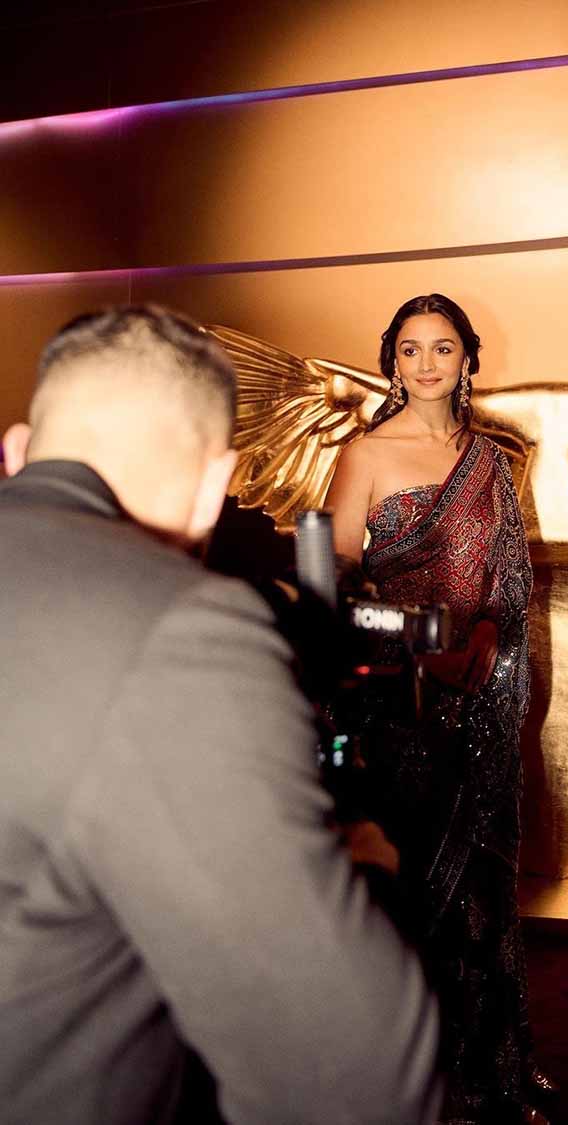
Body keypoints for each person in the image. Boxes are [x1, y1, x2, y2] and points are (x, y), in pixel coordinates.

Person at [0, 305, 441, 1125]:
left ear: (18, 449)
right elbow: (358, 1083)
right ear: (215, 487)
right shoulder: (182, 629)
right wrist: (364, 875)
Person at [325, 294, 550, 1125]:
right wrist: (422, 651)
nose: (426, 364)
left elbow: (511, 579)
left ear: (467, 360)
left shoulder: (490, 460)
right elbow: (334, 588)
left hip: (482, 700)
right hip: (403, 705)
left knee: (486, 890)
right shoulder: (365, 454)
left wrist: (483, 637)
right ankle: (417, 1081)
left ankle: (497, 1068)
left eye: (443, 347)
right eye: (411, 348)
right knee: (417, 889)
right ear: (391, 361)